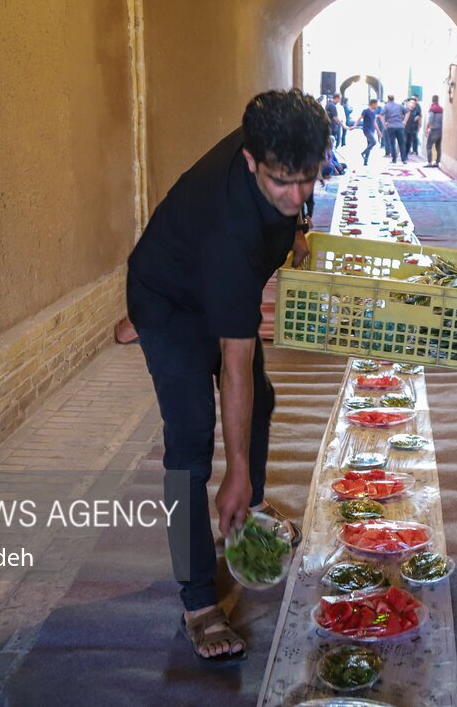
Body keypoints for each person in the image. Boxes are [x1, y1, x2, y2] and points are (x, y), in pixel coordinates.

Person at [126, 89, 328, 665]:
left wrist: (298, 226)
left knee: (260, 399)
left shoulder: (283, 142)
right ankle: (197, 601)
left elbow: (294, 188)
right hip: (172, 303)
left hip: (214, 278)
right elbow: (233, 363)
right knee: (189, 448)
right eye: (280, 183)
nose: (295, 195)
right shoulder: (229, 230)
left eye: (307, 181)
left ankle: (248, 510)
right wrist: (234, 468)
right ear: (249, 160)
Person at [381, 94, 407, 163]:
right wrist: (405, 121)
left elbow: (381, 115)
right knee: (401, 143)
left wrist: (384, 123)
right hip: (400, 126)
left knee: (392, 143)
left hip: (390, 126)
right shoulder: (399, 106)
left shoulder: (386, 106)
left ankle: (394, 159)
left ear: (388, 99)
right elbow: (407, 112)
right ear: (394, 99)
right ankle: (404, 159)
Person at [359, 98, 381, 165]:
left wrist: (378, 131)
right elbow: (359, 118)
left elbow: (374, 122)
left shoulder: (374, 112)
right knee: (373, 142)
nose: (377, 105)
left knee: (369, 144)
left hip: (372, 130)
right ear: (373, 104)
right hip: (367, 130)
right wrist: (354, 126)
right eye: (376, 104)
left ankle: (365, 161)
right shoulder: (366, 111)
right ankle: (363, 153)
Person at [423, 95, 444, 168]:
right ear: (438, 100)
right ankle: (437, 162)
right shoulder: (441, 109)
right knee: (438, 147)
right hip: (441, 130)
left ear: (432, 100)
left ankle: (429, 162)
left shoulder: (432, 109)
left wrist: (427, 128)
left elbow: (431, 119)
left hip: (434, 129)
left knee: (429, 146)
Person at [403, 96, 422, 161]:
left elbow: (419, 116)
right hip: (404, 129)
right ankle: (403, 155)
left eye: (414, 103)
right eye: (412, 103)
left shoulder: (415, 110)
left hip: (412, 129)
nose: (413, 104)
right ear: (408, 103)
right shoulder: (405, 109)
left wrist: (419, 125)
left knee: (409, 143)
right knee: (404, 141)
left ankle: (406, 155)